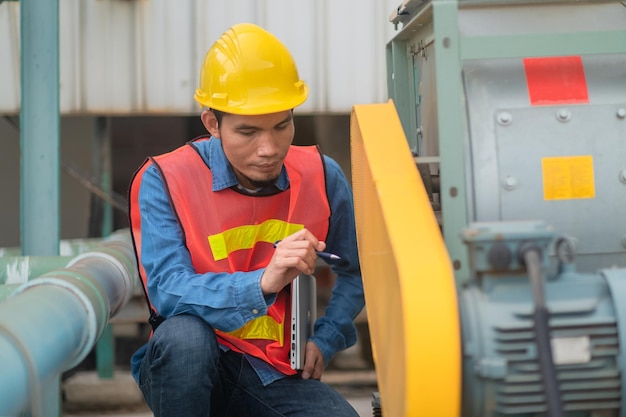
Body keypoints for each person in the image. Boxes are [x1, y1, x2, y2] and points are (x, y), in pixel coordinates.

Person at [128, 23, 365, 416]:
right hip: (188, 362)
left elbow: (356, 271)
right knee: (186, 339)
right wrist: (261, 283)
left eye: (282, 126)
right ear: (211, 123)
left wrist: (326, 338)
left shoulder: (323, 176)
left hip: (269, 368)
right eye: (248, 132)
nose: (269, 149)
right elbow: (168, 291)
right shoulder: (164, 180)